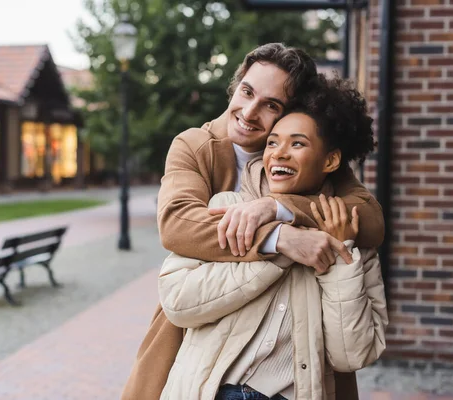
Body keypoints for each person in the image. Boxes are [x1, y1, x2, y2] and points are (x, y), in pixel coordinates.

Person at [120, 43, 384, 400]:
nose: (248, 111)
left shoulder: (302, 152)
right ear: (236, 86)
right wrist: (280, 238)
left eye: (271, 105)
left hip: (295, 353)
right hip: (205, 335)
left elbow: (367, 218)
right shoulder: (197, 145)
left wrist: (276, 207)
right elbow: (179, 225)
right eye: (246, 92)